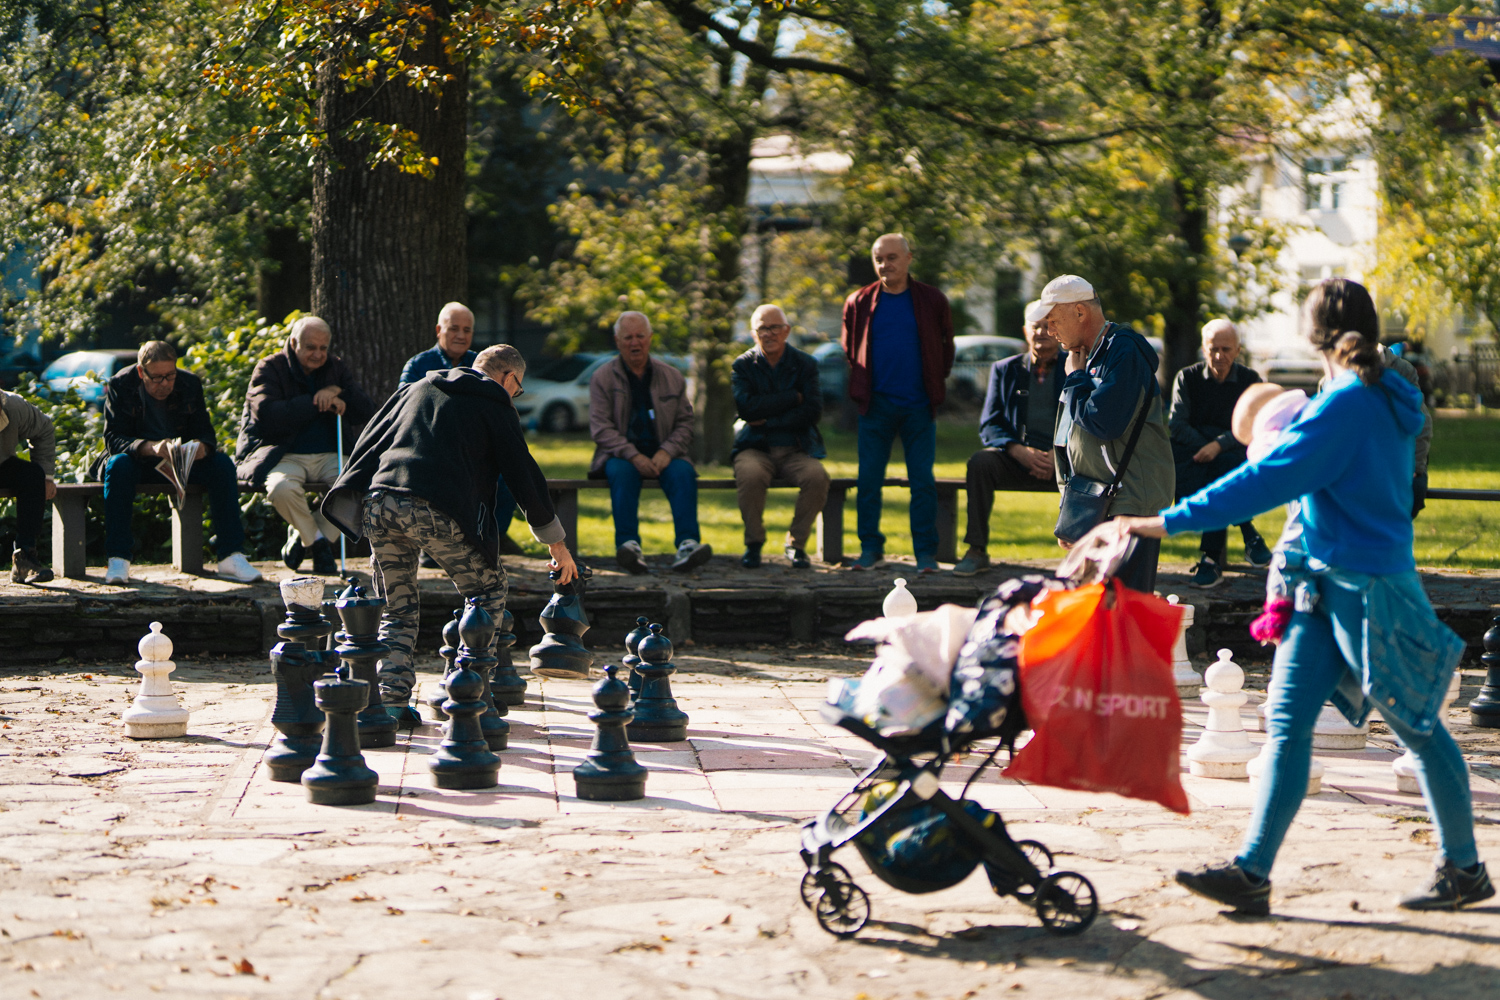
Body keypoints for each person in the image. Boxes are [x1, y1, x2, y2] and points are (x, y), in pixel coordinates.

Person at [1117, 277, 1489, 915]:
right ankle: (1253, 872)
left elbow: (1270, 477)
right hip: (1320, 588)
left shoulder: (1352, 403)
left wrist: (1161, 521)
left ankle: (1465, 869)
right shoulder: (1351, 393)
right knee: (1286, 724)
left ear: (1310, 333)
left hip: (1368, 589)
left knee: (1418, 725)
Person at [322, 345, 578, 714]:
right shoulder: (494, 401)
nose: (515, 396)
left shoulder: (417, 388)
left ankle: (391, 702)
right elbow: (523, 473)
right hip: (432, 507)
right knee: (487, 589)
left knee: (397, 608)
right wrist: (556, 545)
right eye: (517, 389)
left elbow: (370, 440)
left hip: (380, 503)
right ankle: (468, 693)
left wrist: (350, 498)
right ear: (508, 378)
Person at [1043, 274, 1173, 593]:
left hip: (1130, 505)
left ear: (1080, 312)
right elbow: (1068, 436)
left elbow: (1102, 421)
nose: (1049, 331)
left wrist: (1074, 378)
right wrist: (1072, 509)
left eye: (1053, 320)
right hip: (1097, 501)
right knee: (1095, 606)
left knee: (1125, 606)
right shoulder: (1087, 356)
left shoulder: (1122, 351)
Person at [95, 341, 261, 584]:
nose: (165, 384)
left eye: (170, 376)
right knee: (118, 466)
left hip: (180, 461)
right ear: (141, 372)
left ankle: (231, 555)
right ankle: (118, 559)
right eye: (157, 378)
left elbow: (205, 432)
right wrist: (150, 447)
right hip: (138, 462)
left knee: (222, 465)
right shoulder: (121, 383)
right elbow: (113, 438)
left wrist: (202, 448)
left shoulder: (189, 383)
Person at [840, 233, 955, 571]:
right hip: (875, 407)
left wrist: (934, 381)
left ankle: (925, 554)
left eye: (891, 257)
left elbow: (946, 348)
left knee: (922, 482)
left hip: (919, 406)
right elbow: (850, 350)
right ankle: (870, 549)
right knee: (868, 481)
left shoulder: (932, 300)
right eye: (879, 258)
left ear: (908, 258)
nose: (884, 264)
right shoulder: (859, 302)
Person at [234, 316, 376, 574]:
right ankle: (319, 545)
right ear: (293, 343)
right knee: (280, 488)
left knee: (362, 488)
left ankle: (305, 538)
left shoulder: (335, 368)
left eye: (323, 348)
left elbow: (365, 411)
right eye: (311, 347)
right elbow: (267, 415)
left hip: (331, 455)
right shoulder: (270, 368)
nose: (318, 354)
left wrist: (339, 393)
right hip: (284, 455)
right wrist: (315, 401)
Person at [588, 311, 711, 574]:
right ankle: (628, 546)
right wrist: (633, 455)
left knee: (683, 472)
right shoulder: (602, 377)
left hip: (665, 454)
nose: (635, 343)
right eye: (628, 337)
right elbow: (601, 428)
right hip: (620, 455)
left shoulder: (672, 376)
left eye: (640, 336)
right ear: (617, 341)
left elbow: (685, 423)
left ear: (650, 338)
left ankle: (688, 545)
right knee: (620, 472)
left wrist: (667, 452)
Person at [399, 302, 521, 557]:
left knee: (508, 477)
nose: (461, 335)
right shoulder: (419, 365)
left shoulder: (482, 363)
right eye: (454, 328)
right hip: (429, 447)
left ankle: (491, 538)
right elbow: (406, 412)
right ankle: (433, 546)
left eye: (467, 330)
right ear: (438, 330)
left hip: (474, 448)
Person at [953, 299, 1063, 577]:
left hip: (1066, 461)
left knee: (1098, 469)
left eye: (1048, 327)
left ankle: (1089, 559)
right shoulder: (1005, 369)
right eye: (1035, 327)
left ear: (1058, 330)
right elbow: (990, 424)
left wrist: (1059, 455)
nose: (1041, 333)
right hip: (1017, 458)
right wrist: (1017, 450)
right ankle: (976, 549)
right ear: (1025, 331)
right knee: (980, 462)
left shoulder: (1077, 368)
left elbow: (1086, 423)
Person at [1167, 319, 1273, 588]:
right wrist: (1208, 446)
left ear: (1237, 350)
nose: (1219, 356)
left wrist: (1218, 445)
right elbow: (1177, 424)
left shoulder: (1250, 380)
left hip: (1231, 457)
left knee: (1224, 469)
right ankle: (1249, 534)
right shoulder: (1188, 377)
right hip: (1195, 458)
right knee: (1221, 474)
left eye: (1226, 349)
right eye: (1213, 349)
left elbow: (1256, 424)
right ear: (1204, 348)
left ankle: (1210, 559)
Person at [731, 304, 830, 569]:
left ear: (786, 331)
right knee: (750, 474)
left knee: (817, 476)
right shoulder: (742, 366)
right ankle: (753, 543)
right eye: (762, 328)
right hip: (755, 447)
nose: (769, 334)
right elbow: (746, 408)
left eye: (774, 327)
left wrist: (768, 418)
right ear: (754, 334)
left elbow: (812, 411)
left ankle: (795, 544)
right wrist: (791, 398)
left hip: (795, 447)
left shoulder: (805, 364)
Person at [1, 388, 57, 583]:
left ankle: (25, 558)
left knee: (33, 475)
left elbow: (44, 428)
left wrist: (48, 477)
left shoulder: (12, 406)